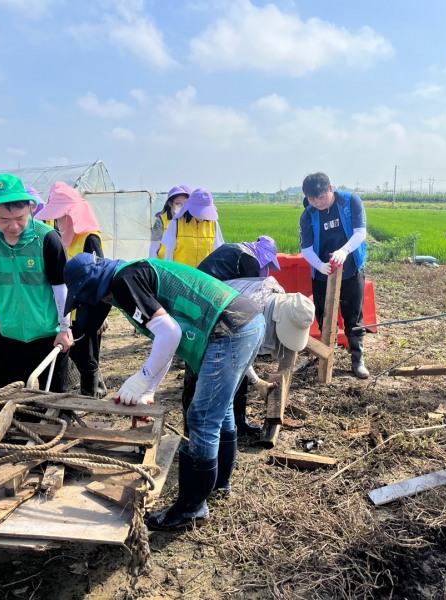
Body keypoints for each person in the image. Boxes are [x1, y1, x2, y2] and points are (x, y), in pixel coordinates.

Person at [62, 252, 265, 530]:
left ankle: (191, 508)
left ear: (93, 288)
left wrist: (141, 379)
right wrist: (149, 389)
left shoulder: (123, 282)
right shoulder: (130, 273)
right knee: (222, 407)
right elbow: (167, 341)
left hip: (228, 327)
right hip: (244, 321)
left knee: (203, 418)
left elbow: (170, 334)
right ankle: (219, 485)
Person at [0, 173, 74, 390]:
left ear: (30, 208)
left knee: (55, 394)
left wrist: (65, 328)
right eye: (3, 220)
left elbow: (61, 288)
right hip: (10, 333)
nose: (14, 226)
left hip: (49, 334)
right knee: (15, 393)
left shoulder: (47, 238)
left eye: (20, 217)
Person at [179, 236, 282, 436]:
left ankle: (236, 422)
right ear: (262, 255)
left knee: (232, 361)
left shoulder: (237, 252)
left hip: (206, 305)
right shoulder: (248, 261)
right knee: (199, 367)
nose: (265, 269)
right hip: (200, 310)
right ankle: (192, 432)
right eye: (267, 263)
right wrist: (256, 380)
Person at [35, 182, 107, 397]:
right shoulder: (59, 238)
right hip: (66, 308)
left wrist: (100, 315)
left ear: (73, 214)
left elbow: (99, 277)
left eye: (61, 216)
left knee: (87, 358)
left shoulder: (90, 238)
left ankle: (89, 396)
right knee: (75, 353)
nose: (58, 221)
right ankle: (95, 388)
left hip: (85, 309)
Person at [299, 172, 369, 378]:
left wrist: (344, 251)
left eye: (320, 197)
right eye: (312, 199)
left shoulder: (350, 202)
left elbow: (360, 232)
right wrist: (320, 266)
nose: (317, 203)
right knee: (324, 317)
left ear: (330, 189)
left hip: (351, 269)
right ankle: (327, 356)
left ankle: (357, 359)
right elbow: (306, 249)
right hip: (323, 273)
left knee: (353, 316)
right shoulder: (308, 215)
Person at [159, 188, 223, 267]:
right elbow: (168, 252)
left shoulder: (213, 224)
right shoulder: (176, 223)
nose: (202, 215)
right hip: (181, 272)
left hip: (204, 273)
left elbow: (218, 252)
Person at [149, 185, 191, 259]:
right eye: (178, 203)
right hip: (164, 262)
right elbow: (154, 247)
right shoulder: (161, 221)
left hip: (181, 262)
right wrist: (154, 264)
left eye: (184, 204)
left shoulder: (188, 220)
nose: (182, 206)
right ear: (170, 204)